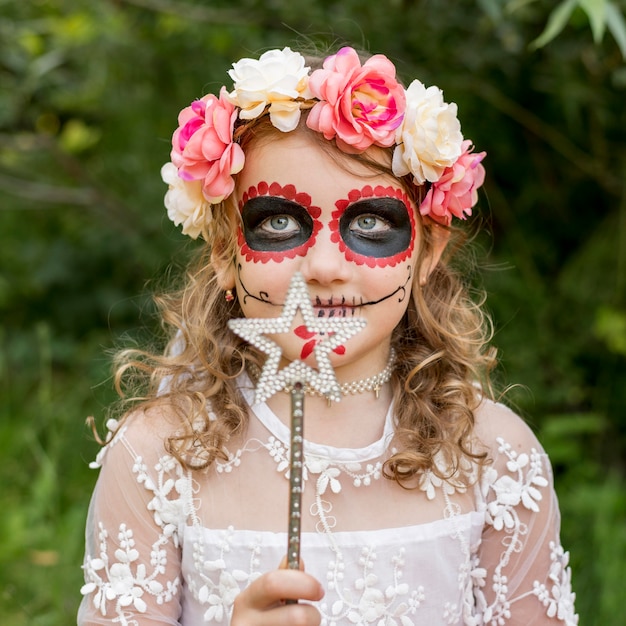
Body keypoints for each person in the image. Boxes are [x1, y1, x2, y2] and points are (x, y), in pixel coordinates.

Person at [78, 45, 578, 626]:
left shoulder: (496, 458)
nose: (323, 267)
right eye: (280, 223)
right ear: (223, 255)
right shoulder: (156, 456)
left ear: (426, 251)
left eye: (369, 223)